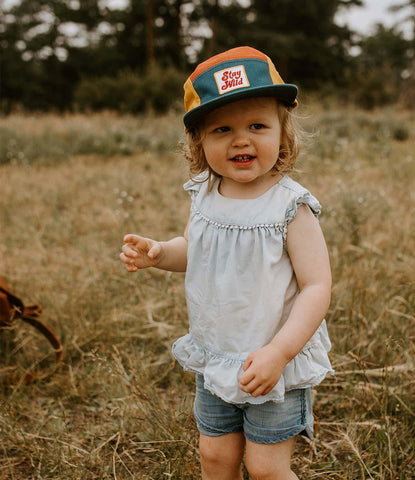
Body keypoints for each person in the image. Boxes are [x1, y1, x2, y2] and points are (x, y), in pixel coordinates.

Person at [120, 46, 334, 480]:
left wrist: (279, 351)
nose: (241, 139)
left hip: (273, 363)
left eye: (258, 125)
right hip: (217, 355)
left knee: (266, 467)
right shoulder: (203, 193)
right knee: (215, 458)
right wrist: (161, 253)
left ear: (283, 133)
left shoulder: (291, 207)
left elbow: (317, 287)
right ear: (199, 140)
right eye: (222, 129)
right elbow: (197, 249)